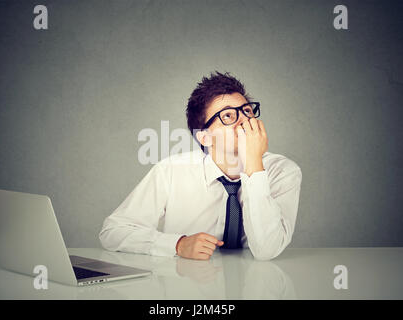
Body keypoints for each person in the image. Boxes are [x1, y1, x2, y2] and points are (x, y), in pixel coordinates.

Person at [99, 71, 302, 261]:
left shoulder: (283, 171)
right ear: (205, 137)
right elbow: (112, 232)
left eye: (247, 111)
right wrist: (177, 245)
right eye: (228, 116)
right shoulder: (170, 171)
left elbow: (267, 250)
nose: (244, 121)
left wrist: (254, 164)